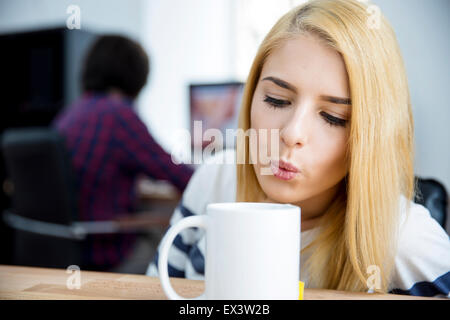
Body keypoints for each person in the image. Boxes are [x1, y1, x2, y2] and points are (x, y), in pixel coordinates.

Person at [146, 0, 450, 297]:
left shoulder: (405, 241)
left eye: (334, 118)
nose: (292, 134)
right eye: (276, 99)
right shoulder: (216, 177)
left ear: (372, 136)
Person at [53, 35, 194, 272]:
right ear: (137, 77)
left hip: (65, 248)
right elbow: (180, 176)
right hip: (105, 253)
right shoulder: (117, 115)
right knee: (179, 242)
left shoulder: (70, 114)